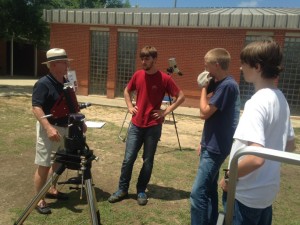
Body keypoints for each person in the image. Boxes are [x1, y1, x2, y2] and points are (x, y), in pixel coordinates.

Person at [219, 40, 295, 225]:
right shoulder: (281, 98)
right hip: (266, 194)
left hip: (245, 195)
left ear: (258, 67)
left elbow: (255, 157)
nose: (240, 67)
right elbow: (289, 145)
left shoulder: (256, 103)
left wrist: (229, 177)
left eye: (244, 63)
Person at [108, 46, 185, 206]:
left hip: (153, 127)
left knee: (147, 160)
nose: (143, 61)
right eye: (142, 58)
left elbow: (181, 96)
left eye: (147, 59)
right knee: (128, 159)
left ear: (155, 60)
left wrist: (165, 111)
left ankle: (141, 190)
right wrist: (130, 106)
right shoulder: (138, 75)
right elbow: (126, 91)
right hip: (136, 125)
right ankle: (122, 189)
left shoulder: (165, 79)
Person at [190, 48, 240, 225]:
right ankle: (210, 221)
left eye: (207, 65)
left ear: (216, 64)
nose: (205, 69)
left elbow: (204, 113)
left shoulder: (227, 85)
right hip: (210, 145)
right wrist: (203, 142)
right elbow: (214, 119)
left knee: (197, 194)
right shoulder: (221, 82)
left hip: (216, 148)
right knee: (210, 189)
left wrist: (203, 89)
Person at [32, 48, 81, 214]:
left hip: (65, 127)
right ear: (53, 65)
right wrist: (48, 127)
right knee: (44, 164)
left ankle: (52, 188)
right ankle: (39, 199)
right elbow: (36, 107)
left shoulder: (65, 81)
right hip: (49, 129)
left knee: (59, 161)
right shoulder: (43, 84)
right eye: (64, 62)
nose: (67, 64)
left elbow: (72, 103)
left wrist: (79, 121)